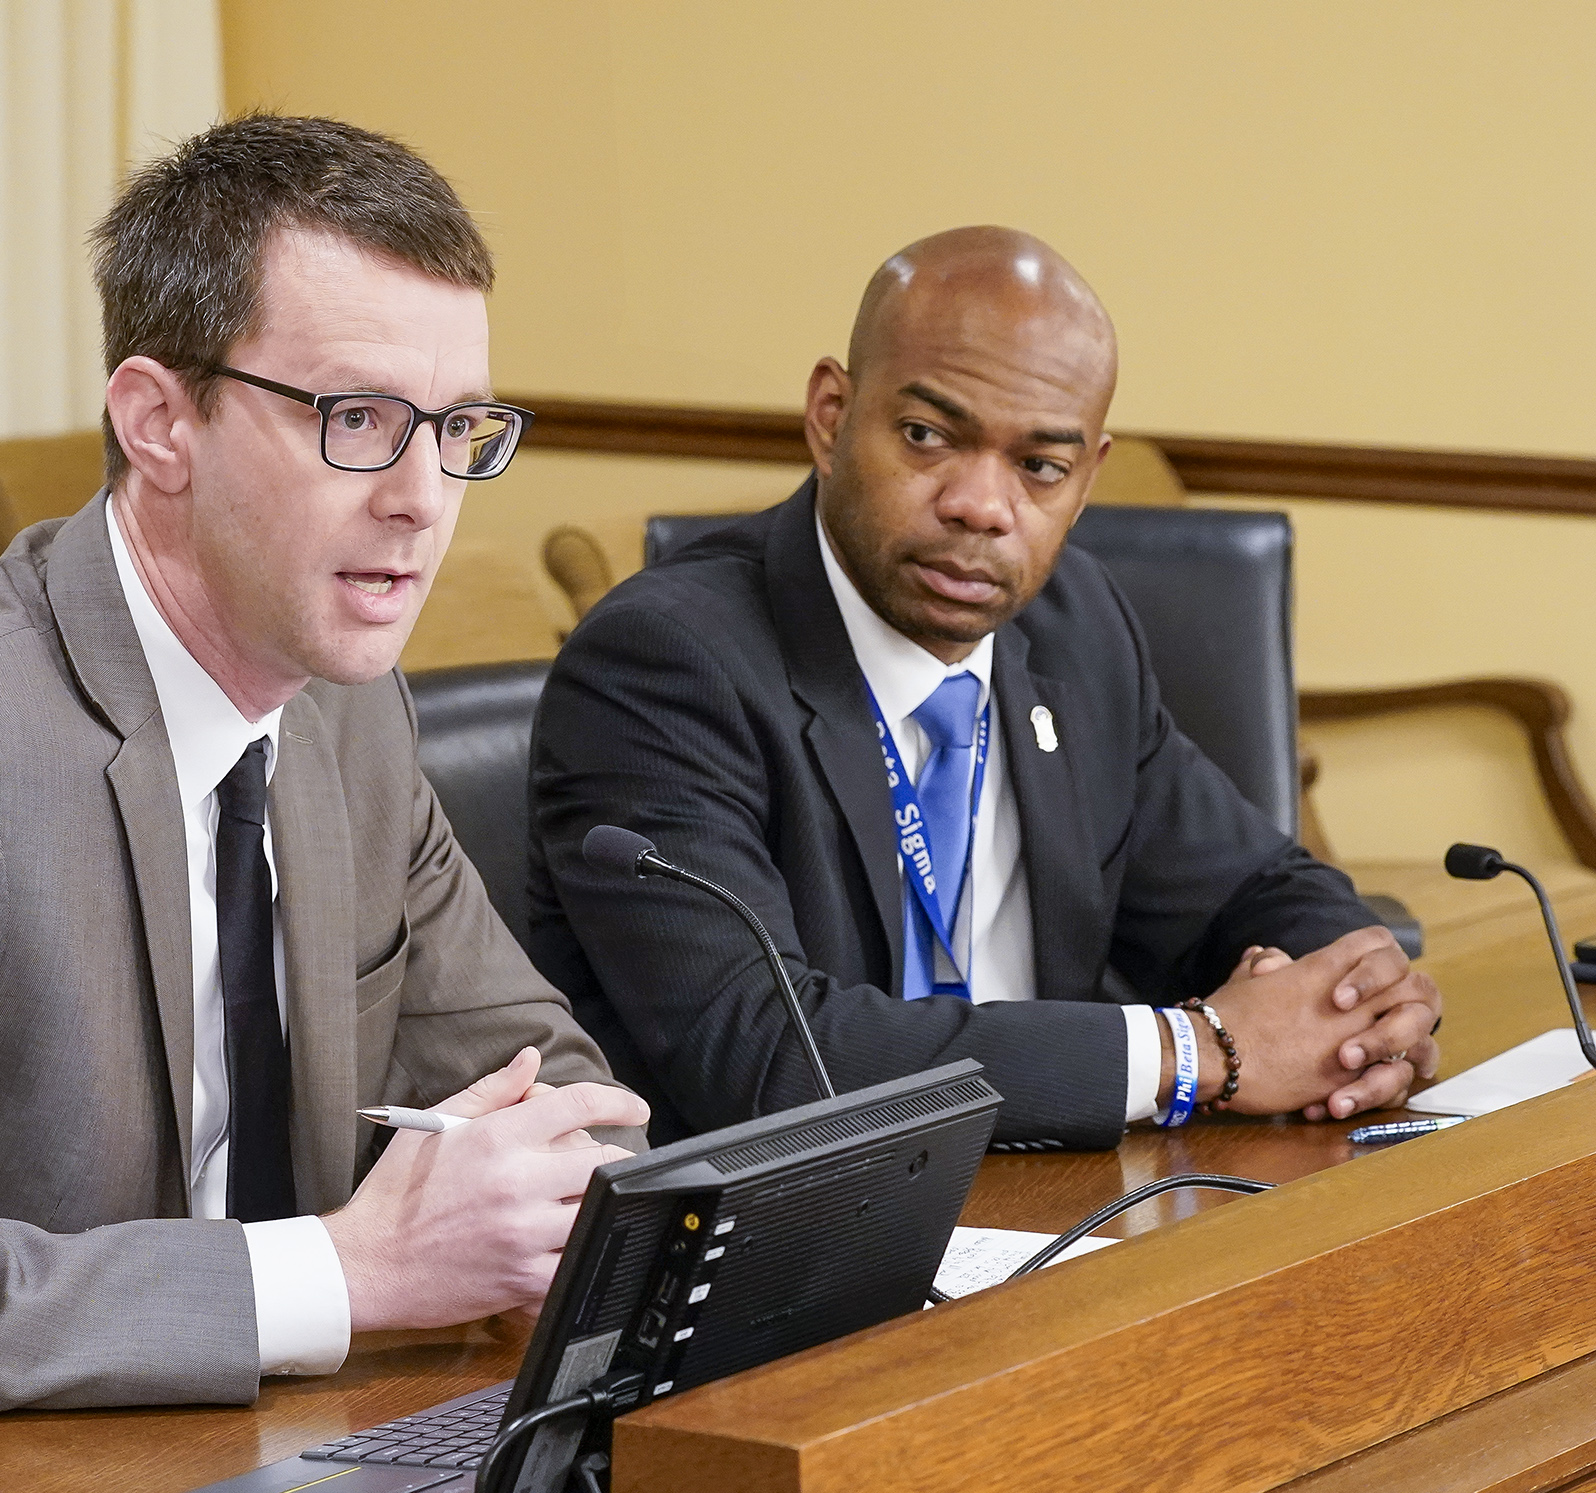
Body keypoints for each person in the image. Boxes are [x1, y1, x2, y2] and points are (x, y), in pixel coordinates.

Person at [0, 115, 646, 1467]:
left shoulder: (348, 706)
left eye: (459, 428)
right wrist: (348, 1273)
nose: (427, 499)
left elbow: (549, 1084)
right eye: (360, 420)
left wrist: (554, 1193)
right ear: (158, 422)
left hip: (289, 1444)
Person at [527, 226, 1439, 1149]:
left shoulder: (1075, 626)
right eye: (927, 436)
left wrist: (1360, 1003)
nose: (982, 505)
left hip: (1063, 1197)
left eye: (1040, 467)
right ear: (832, 418)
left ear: (1086, 483)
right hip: (797, 1237)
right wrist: (1190, 1051)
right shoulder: (664, 663)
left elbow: (1258, 883)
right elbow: (766, 1055)